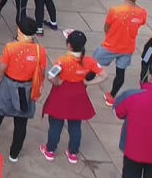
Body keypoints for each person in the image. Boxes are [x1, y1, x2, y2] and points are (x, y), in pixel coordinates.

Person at [0, 15, 46, 162]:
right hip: (26, 89)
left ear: (20, 31)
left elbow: (1, 68)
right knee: (21, 123)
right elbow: (41, 73)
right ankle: (14, 153)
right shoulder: (40, 51)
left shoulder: (10, 47)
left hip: (7, 87)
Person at [41, 30, 105, 163]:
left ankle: (50, 150)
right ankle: (73, 153)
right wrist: (88, 82)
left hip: (61, 95)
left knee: (56, 125)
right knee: (75, 126)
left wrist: (58, 82)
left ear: (69, 45)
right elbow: (104, 75)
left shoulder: (62, 61)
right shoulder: (89, 61)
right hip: (78, 96)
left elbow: (50, 76)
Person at [96, 0, 146, 106]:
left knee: (93, 66)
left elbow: (107, 27)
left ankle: (82, 87)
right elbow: (140, 24)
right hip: (127, 48)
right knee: (120, 73)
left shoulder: (115, 10)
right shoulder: (142, 12)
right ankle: (111, 96)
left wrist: (110, 35)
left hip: (110, 45)